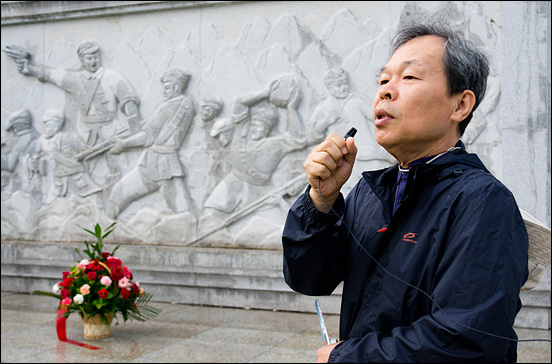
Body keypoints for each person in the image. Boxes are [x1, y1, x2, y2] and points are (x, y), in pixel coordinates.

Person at [282, 21, 528, 363]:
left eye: (409, 77)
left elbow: (465, 343)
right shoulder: (371, 193)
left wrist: (345, 357)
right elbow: (309, 278)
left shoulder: (482, 202)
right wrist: (319, 203)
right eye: (383, 80)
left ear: (460, 105)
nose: (385, 91)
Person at [13, 40, 141, 187]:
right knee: (87, 170)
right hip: (86, 134)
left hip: (111, 129)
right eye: (89, 58)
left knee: (120, 166)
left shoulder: (111, 75)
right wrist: (30, 69)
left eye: (95, 57)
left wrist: (133, 121)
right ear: (82, 61)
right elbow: (53, 75)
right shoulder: (76, 79)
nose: (93, 61)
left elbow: (127, 97)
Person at [104, 68, 196, 219]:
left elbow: (147, 136)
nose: (165, 92)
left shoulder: (167, 106)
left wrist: (124, 144)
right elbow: (152, 126)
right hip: (167, 163)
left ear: (176, 87)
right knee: (183, 210)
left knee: (118, 192)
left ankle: (105, 229)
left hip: (156, 163)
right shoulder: (187, 104)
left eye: (167, 88)